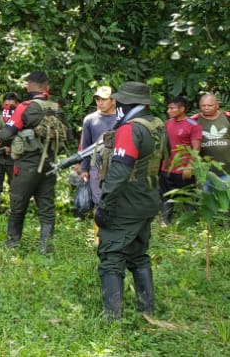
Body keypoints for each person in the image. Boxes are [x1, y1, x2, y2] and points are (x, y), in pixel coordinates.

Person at [94, 81, 167, 320]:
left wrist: (105, 204)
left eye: (120, 102)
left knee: (111, 256)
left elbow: (120, 171)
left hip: (126, 203)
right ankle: (146, 310)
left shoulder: (130, 129)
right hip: (148, 198)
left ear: (127, 103)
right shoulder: (156, 125)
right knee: (138, 254)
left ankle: (112, 318)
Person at [0, 71, 69, 254]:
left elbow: (5, 134)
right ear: (47, 87)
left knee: (17, 204)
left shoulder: (25, 107)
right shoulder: (56, 107)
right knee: (47, 206)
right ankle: (45, 248)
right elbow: (67, 135)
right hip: (50, 164)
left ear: (29, 86)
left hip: (27, 165)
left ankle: (12, 244)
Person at [159, 96, 202, 225]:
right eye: (168, 108)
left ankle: (192, 223)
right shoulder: (167, 123)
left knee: (188, 197)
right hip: (167, 167)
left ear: (182, 109)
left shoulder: (193, 125)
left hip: (183, 169)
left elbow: (196, 147)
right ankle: (166, 221)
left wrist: (190, 166)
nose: (169, 111)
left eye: (172, 108)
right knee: (166, 196)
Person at [74, 86, 118, 208]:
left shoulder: (122, 119)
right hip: (96, 167)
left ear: (113, 100)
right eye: (98, 99)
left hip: (117, 166)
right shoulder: (90, 119)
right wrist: (84, 170)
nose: (100, 102)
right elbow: (85, 146)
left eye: (104, 99)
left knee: (117, 201)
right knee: (98, 202)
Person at [193, 94, 230, 189]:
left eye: (210, 105)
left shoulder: (227, 117)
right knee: (206, 196)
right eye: (203, 105)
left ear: (217, 105)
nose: (206, 108)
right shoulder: (193, 120)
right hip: (204, 172)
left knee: (225, 197)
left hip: (227, 171)